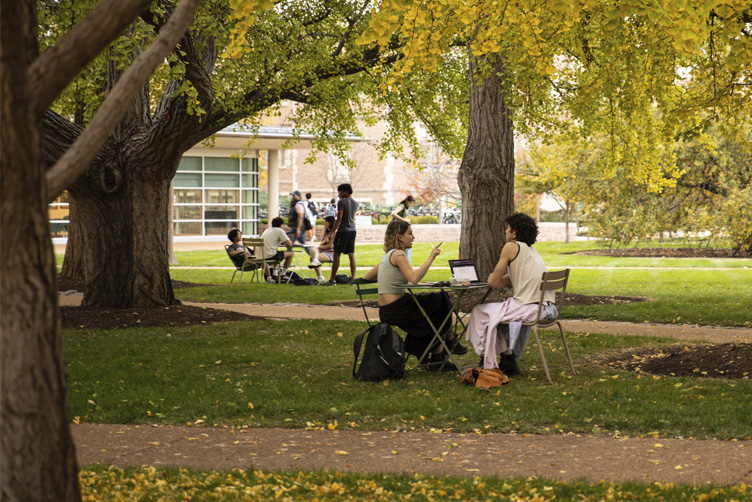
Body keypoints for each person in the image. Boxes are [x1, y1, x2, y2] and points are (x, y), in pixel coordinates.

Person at [364, 220, 468, 371]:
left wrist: (387, 276)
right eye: (410, 234)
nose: (413, 237)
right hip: (399, 309)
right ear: (400, 237)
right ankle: (447, 345)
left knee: (437, 303)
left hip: (387, 310)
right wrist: (432, 257)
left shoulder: (387, 256)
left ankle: (440, 353)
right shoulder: (399, 254)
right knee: (440, 301)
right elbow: (414, 278)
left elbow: (367, 277)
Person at [466, 212, 558, 375]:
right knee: (494, 316)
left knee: (480, 311)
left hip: (530, 307)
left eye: (507, 228)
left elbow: (494, 283)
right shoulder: (531, 251)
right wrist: (500, 279)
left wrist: (492, 278)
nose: (505, 232)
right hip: (546, 307)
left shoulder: (511, 247)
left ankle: (487, 357)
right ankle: (508, 359)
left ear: (514, 231)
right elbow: (505, 281)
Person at [328, 183, 358, 283]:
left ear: (345, 191)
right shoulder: (355, 202)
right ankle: (353, 279)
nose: (339, 194)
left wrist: (332, 232)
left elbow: (339, 218)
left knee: (336, 254)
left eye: (340, 191)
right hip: (352, 230)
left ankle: (332, 279)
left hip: (343, 231)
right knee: (351, 254)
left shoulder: (341, 202)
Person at [390, 195, 415, 262]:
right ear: (407, 201)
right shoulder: (402, 206)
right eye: (410, 203)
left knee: (403, 247)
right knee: (406, 246)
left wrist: (407, 220)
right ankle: (407, 265)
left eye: (412, 203)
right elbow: (394, 213)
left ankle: (404, 265)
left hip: (401, 229)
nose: (411, 204)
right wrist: (405, 220)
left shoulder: (406, 208)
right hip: (396, 229)